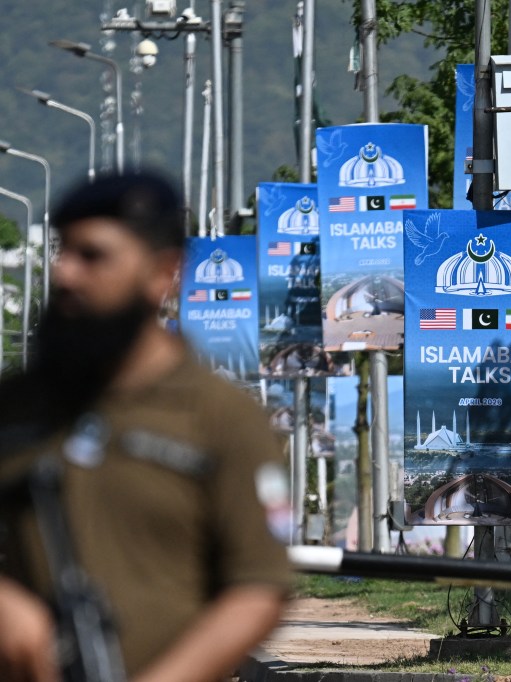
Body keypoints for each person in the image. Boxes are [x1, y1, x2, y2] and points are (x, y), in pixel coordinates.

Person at [0, 171, 292, 681]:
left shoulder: (222, 419)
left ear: (163, 273)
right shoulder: (17, 408)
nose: (65, 274)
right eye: (62, 251)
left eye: (93, 256)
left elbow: (258, 590)